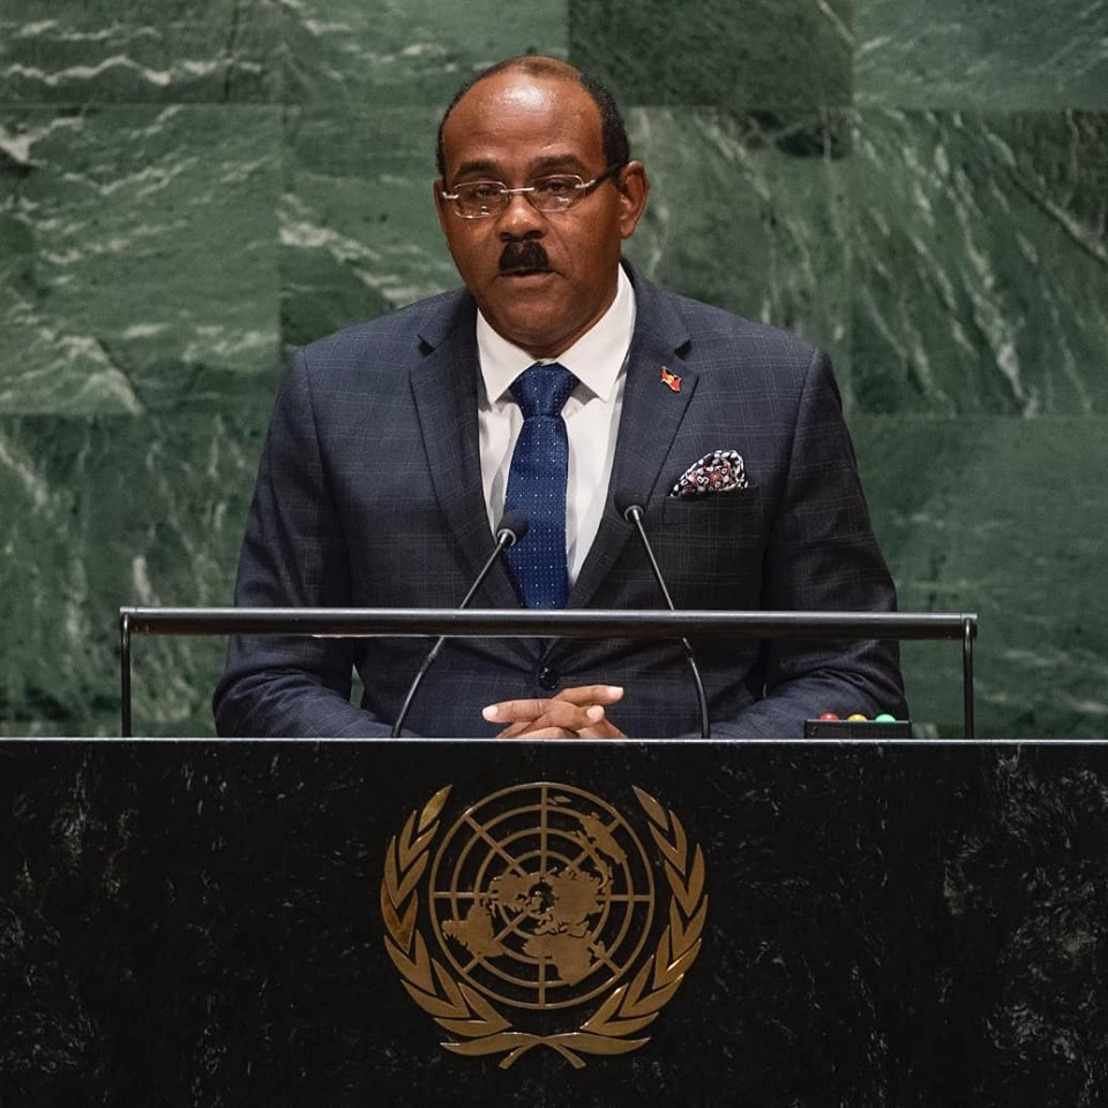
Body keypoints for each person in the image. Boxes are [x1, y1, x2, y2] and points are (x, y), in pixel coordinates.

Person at [213, 56, 906, 739]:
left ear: (628, 198)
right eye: (481, 192)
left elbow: (852, 676)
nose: (517, 221)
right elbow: (269, 678)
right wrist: (433, 783)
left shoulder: (773, 388)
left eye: (557, 185)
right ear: (443, 211)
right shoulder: (336, 393)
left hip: (700, 840)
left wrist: (673, 781)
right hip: (414, 843)